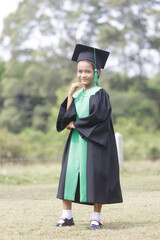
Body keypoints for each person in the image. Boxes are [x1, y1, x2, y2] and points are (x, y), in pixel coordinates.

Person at [54, 44, 123, 230]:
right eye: (80, 71)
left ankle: (96, 217)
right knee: (68, 175)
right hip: (76, 143)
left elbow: (98, 118)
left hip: (94, 142)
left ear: (97, 72)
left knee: (95, 177)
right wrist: (69, 94)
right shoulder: (77, 95)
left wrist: (76, 124)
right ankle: (66, 216)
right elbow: (67, 118)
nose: (83, 75)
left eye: (87, 72)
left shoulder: (100, 94)